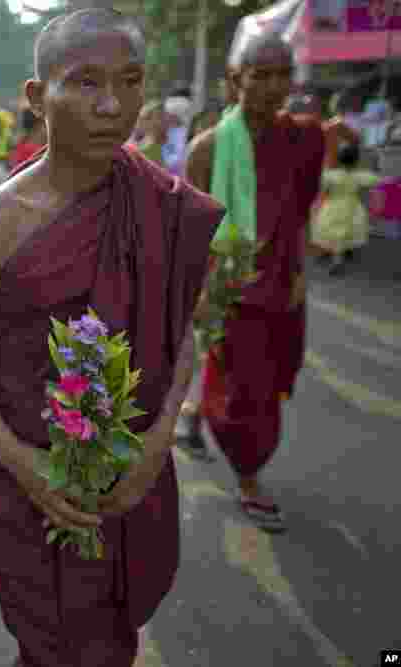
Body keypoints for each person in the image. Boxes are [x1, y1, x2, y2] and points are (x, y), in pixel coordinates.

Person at [0, 10, 221, 666]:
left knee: (104, 638)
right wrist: (21, 462)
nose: (112, 105)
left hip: (128, 468)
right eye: (85, 83)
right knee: (52, 643)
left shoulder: (161, 202)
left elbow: (184, 335)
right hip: (28, 476)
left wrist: (154, 442)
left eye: (130, 81)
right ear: (37, 97)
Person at [184, 33, 324, 532]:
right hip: (229, 291)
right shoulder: (208, 148)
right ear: (235, 79)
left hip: (282, 284)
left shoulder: (306, 139)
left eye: (282, 74)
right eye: (259, 74)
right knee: (247, 396)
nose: (271, 85)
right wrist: (200, 294)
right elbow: (191, 232)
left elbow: (302, 213)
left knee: (273, 376)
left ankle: (194, 417)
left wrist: (303, 271)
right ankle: (249, 477)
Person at [311, 143, 380, 274]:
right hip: (353, 207)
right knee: (345, 234)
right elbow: (377, 180)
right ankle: (339, 258)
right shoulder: (359, 175)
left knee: (334, 233)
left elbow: (322, 191)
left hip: (333, 206)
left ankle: (336, 260)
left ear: (338, 159)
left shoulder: (330, 175)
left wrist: (317, 206)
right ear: (356, 160)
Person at [132, 99, 168, 165]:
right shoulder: (145, 148)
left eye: (164, 116)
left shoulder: (168, 142)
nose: (165, 120)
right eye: (159, 117)